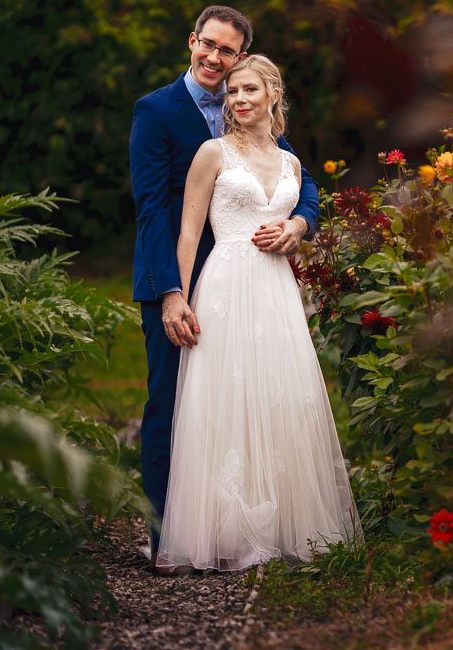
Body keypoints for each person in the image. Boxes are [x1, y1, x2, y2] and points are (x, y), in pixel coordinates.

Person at [129, 6, 319, 567]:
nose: (214, 59)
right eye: (206, 46)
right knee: (171, 403)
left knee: (251, 399)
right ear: (192, 42)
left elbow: (302, 187)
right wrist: (171, 292)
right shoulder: (157, 110)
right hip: (178, 276)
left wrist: (298, 224)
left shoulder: (253, 109)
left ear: (243, 60)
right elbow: (152, 211)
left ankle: (238, 523)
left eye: (227, 51)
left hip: (256, 283)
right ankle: (166, 531)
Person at [154, 55, 358, 573]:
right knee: (225, 397)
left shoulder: (290, 164)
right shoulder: (212, 152)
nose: (239, 99)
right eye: (232, 93)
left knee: (279, 395)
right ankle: (220, 530)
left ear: (272, 94)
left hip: (276, 289)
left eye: (249, 90)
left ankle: (282, 525)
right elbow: (188, 232)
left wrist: (296, 227)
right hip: (225, 282)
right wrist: (175, 296)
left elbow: (303, 206)